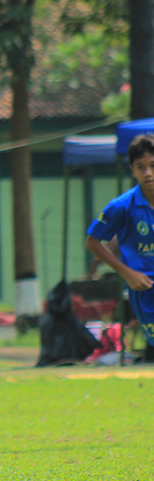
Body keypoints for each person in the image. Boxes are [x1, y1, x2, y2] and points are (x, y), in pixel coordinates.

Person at [86, 133, 154, 359]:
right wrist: (128, 273)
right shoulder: (122, 206)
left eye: (153, 165)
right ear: (133, 170)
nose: (148, 173)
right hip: (145, 288)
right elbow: (93, 242)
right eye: (141, 167)